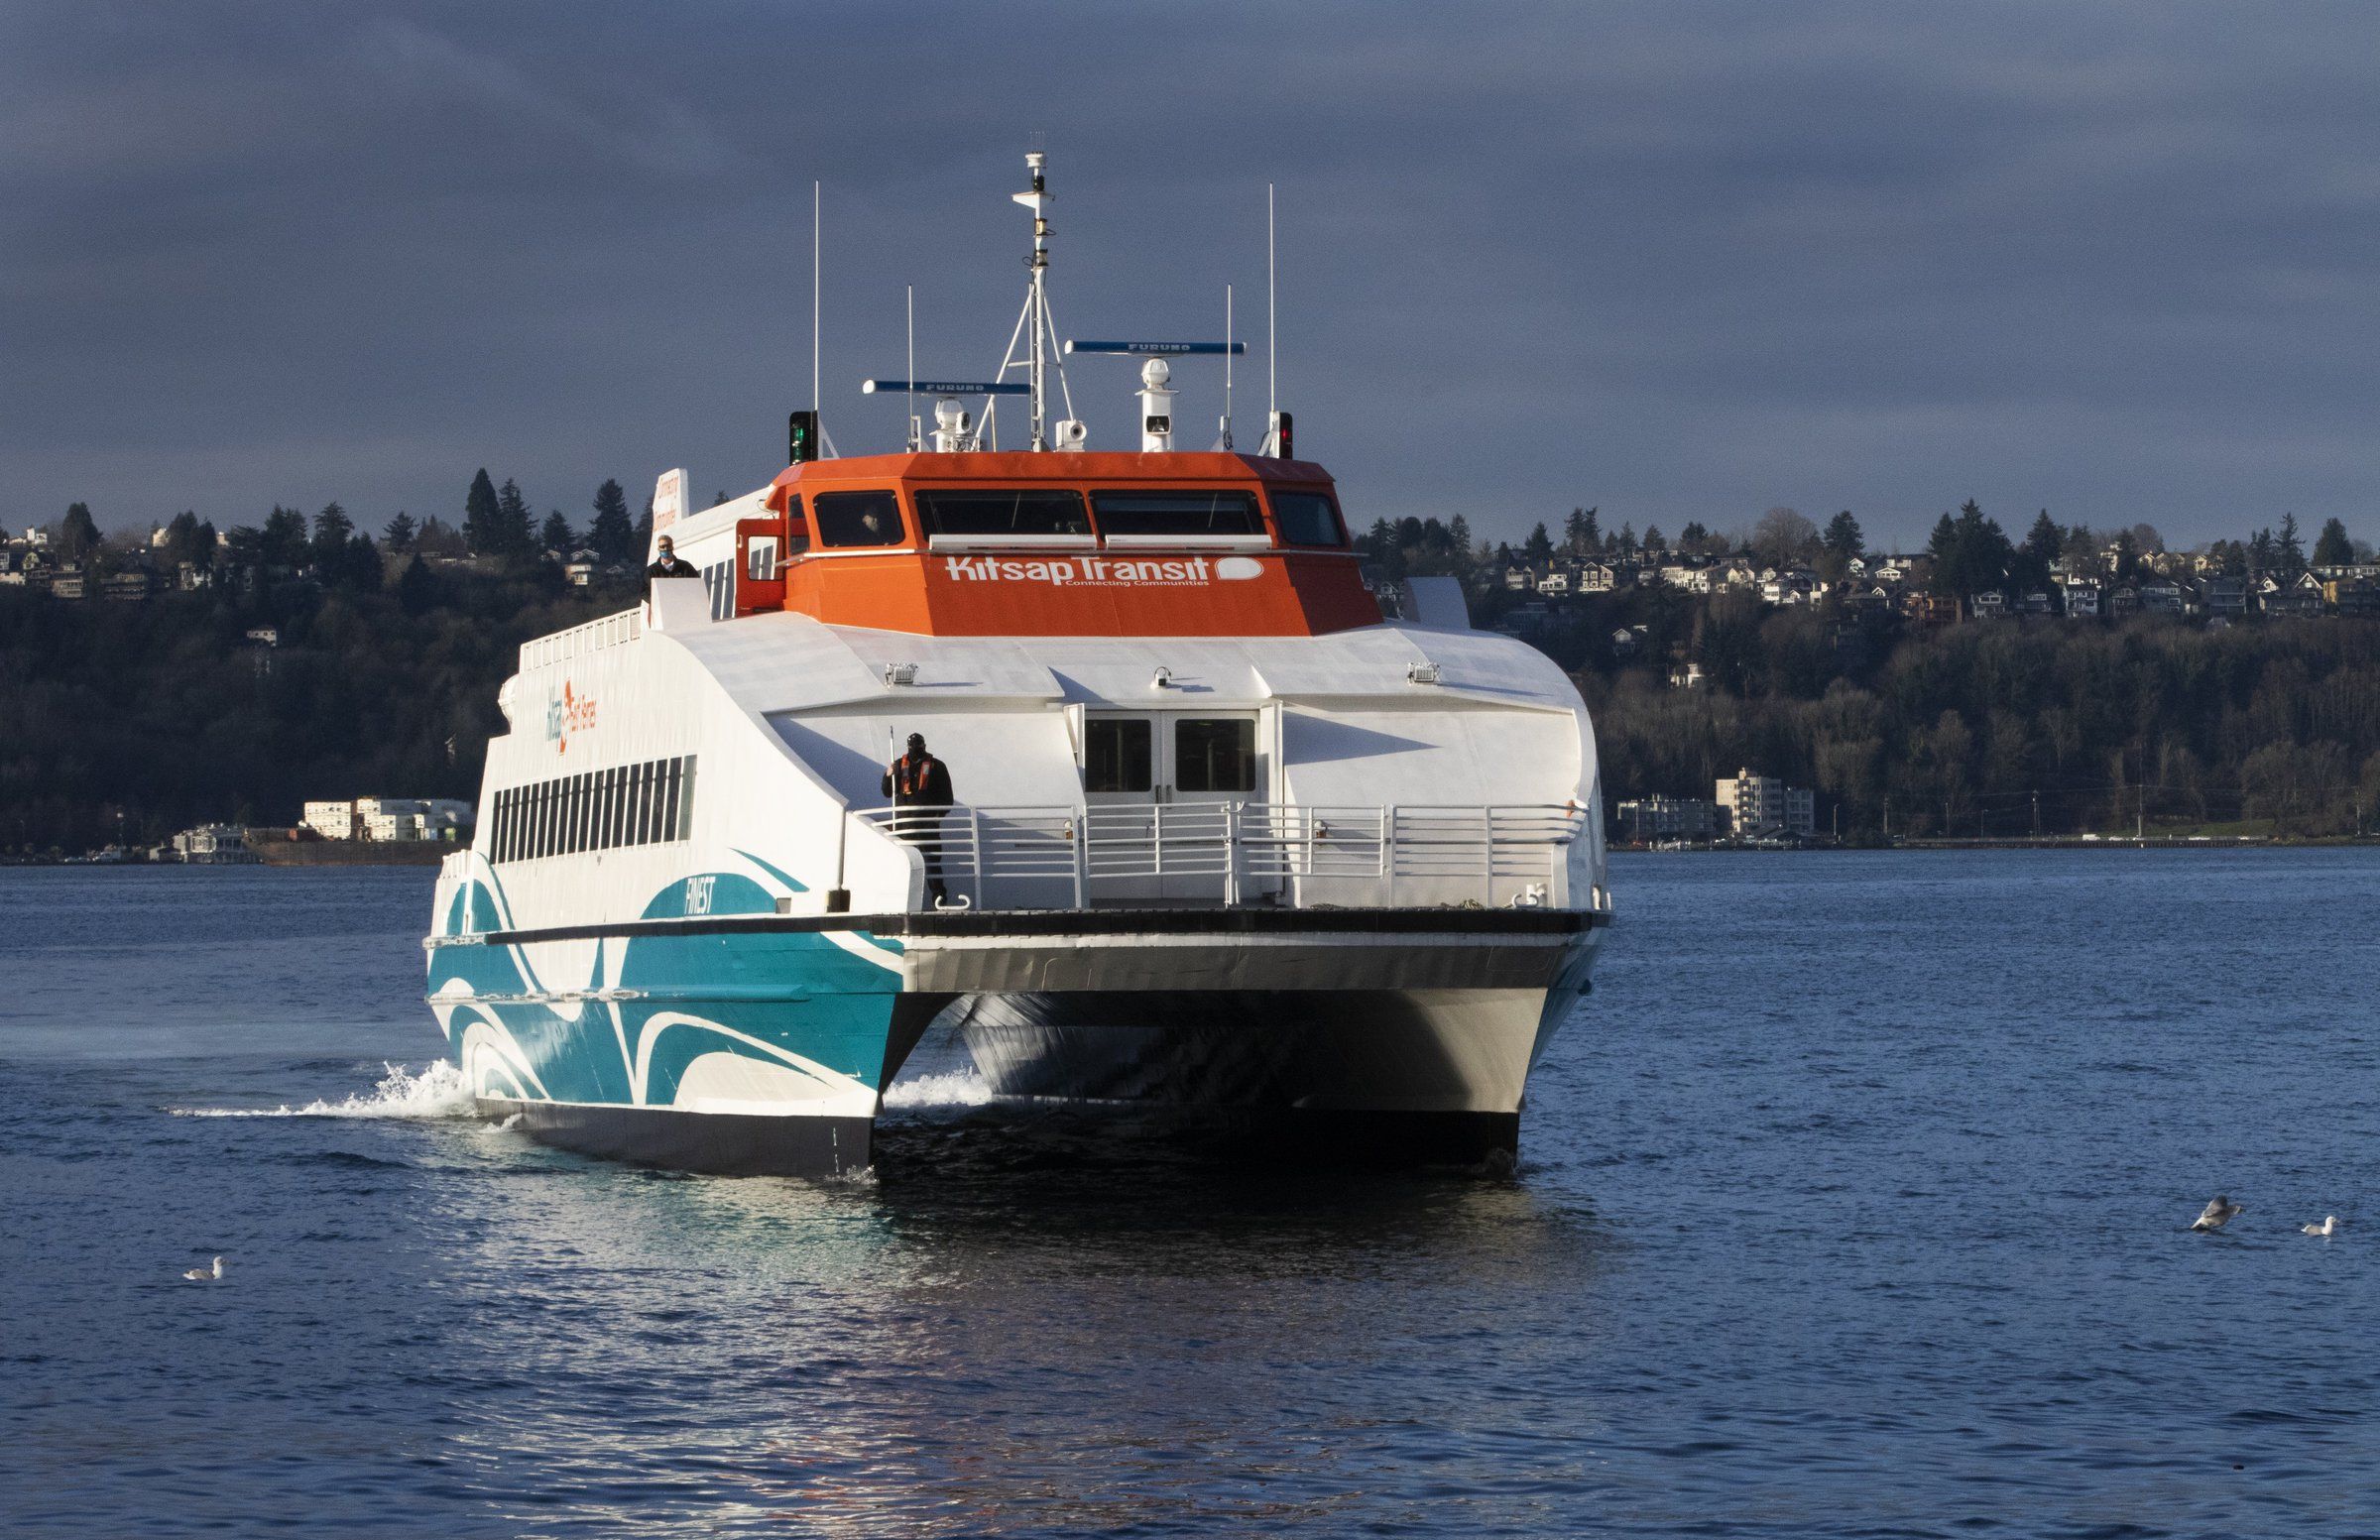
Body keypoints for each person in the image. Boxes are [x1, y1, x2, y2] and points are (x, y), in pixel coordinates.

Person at [882, 732, 956, 904]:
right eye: (913, 746)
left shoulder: (937, 766)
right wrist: (888, 775)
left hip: (927, 825)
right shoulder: (899, 765)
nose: (916, 748)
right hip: (904, 826)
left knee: (932, 861)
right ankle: (900, 899)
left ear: (924, 746)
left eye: (918, 745)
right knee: (904, 861)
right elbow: (887, 792)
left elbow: (946, 798)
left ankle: (939, 897)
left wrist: (937, 817)